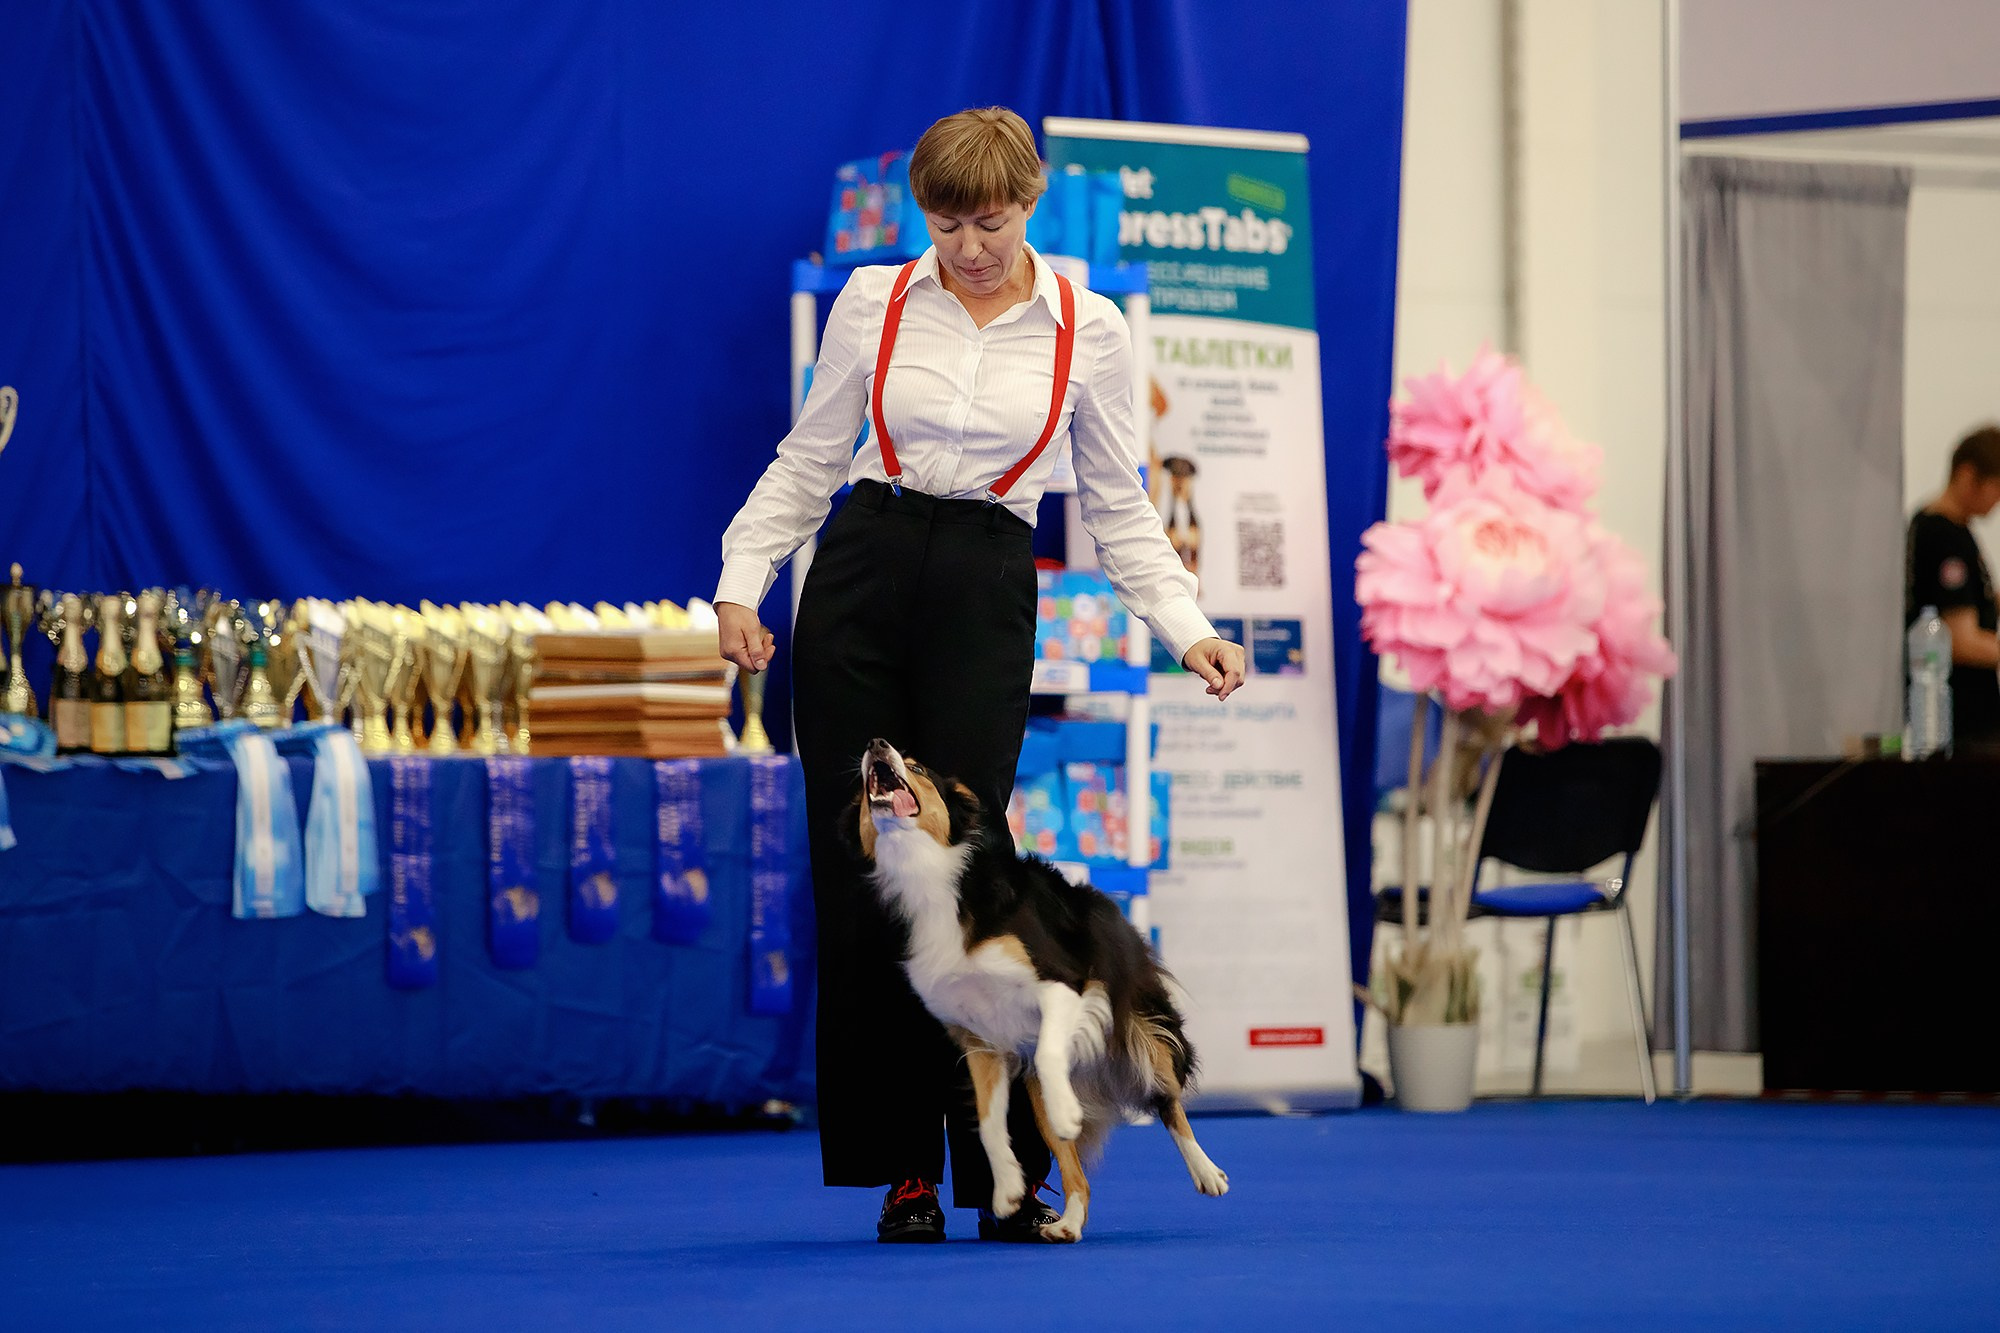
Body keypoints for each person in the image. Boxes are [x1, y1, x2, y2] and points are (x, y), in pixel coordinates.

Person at [713, 107, 1245, 1244]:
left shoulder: (1086, 329)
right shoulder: (873, 302)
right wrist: (741, 580)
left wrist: (1185, 625)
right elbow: (809, 457)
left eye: (989, 222)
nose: (967, 248)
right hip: (859, 575)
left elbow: (1115, 505)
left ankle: (1003, 1172)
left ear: (1030, 203)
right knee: (867, 884)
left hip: (986, 582)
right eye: (947, 224)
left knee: (968, 886)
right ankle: (903, 1172)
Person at [1906, 424, 2000, 749]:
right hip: (1960, 719)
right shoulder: (1944, 537)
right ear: (1968, 474)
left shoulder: (1942, 527)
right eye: (1996, 487)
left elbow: (1969, 597)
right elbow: (1960, 640)